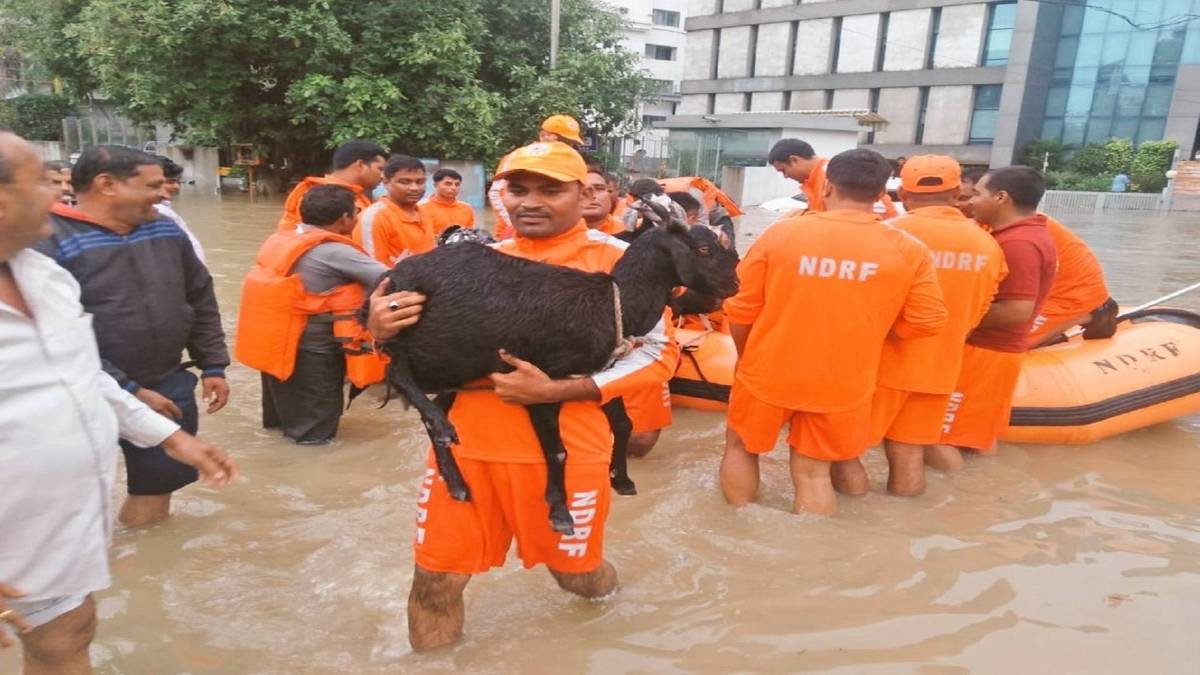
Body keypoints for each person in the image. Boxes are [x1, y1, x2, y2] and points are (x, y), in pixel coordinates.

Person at [366, 141, 677, 651]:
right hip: (464, 450)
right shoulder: (471, 265)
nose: (529, 202)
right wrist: (382, 330)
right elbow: (416, 359)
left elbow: (661, 357)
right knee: (435, 581)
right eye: (518, 189)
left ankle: (613, 609)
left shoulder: (621, 261)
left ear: (584, 194)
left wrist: (557, 389)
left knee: (575, 576)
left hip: (567, 450)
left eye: (549, 190)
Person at [0, 130, 237, 675]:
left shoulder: (42, 276)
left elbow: (79, 373)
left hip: (53, 525)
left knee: (67, 636)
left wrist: (171, 437)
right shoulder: (56, 249)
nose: (58, 192)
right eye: (40, 182)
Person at [721, 149, 947, 516]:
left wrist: (747, 358)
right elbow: (928, 321)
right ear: (881, 194)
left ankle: (737, 523)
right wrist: (871, 328)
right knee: (814, 474)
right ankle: (813, 542)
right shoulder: (909, 250)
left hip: (769, 370)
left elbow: (741, 309)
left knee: (740, 448)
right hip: (845, 378)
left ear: (826, 186)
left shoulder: (782, 233)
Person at [33, 145, 231, 527]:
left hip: (166, 381)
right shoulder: (47, 240)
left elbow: (200, 296)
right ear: (107, 185)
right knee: (78, 503)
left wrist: (213, 365)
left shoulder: (166, 229)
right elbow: (55, 337)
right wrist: (130, 389)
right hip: (83, 394)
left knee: (157, 485)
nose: (165, 193)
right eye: (153, 185)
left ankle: (147, 555)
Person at [839, 156, 1007, 496]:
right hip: (941, 367)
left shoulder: (889, 234)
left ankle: (850, 518)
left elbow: (857, 302)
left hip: (881, 367)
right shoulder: (987, 245)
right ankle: (906, 520)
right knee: (909, 451)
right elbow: (979, 311)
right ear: (957, 193)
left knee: (839, 451)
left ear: (902, 193)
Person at [236, 185, 390, 445]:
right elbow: (392, 279)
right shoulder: (336, 251)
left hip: (279, 346)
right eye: (355, 212)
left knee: (283, 422)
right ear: (344, 218)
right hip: (315, 353)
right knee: (315, 436)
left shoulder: (282, 239)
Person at [934, 166, 1057, 462]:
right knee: (975, 440)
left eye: (977, 194)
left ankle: (953, 490)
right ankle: (984, 486)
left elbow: (1016, 311)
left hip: (986, 353)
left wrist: (953, 320)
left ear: (1001, 197)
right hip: (996, 354)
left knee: (936, 438)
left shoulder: (1018, 243)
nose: (970, 201)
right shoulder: (1025, 234)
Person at [962, 168, 1114, 347]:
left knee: (1000, 341)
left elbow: (1016, 311)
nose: (962, 204)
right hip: (1041, 290)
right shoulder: (998, 222)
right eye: (953, 197)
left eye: (969, 197)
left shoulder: (1020, 237)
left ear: (1000, 197)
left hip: (1070, 294)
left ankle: (1091, 312)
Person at [489, 114, 584, 240]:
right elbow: (496, 193)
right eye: (562, 141)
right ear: (543, 136)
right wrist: (513, 223)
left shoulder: (573, 161)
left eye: (570, 143)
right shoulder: (517, 158)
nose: (565, 147)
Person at [1027, 216, 1117, 347]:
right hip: (1052, 290)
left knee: (1003, 344)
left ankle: (1088, 313)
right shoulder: (1014, 220)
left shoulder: (1021, 230)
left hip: (1072, 295)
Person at [768, 138, 899, 218]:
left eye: (783, 170)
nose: (785, 176)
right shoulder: (820, 177)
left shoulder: (833, 176)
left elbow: (873, 211)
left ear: (794, 160)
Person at [277, 139, 386, 232]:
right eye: (380, 169)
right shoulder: (318, 197)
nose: (383, 176)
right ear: (360, 165)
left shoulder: (357, 195)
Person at [354, 154, 436, 266]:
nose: (414, 188)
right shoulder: (374, 218)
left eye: (420, 182)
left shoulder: (423, 212)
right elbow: (369, 269)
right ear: (386, 182)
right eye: (404, 182)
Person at [152, 155, 205, 263]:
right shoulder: (158, 212)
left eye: (178, 182)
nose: (177, 187)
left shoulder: (163, 209)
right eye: (170, 182)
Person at [420, 167, 476, 236]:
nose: (454, 188)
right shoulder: (421, 208)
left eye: (457, 184)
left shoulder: (466, 208)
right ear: (435, 185)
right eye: (448, 184)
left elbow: (470, 235)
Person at [582, 166, 624, 235]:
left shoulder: (633, 232)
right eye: (583, 190)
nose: (592, 196)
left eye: (599, 188)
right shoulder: (561, 233)